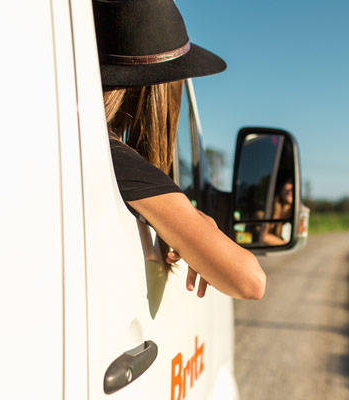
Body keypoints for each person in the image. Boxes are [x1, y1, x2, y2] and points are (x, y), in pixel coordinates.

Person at [93, 0, 265, 300]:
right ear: (157, 95)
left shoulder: (81, 149)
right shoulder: (113, 159)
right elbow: (250, 281)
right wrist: (197, 226)